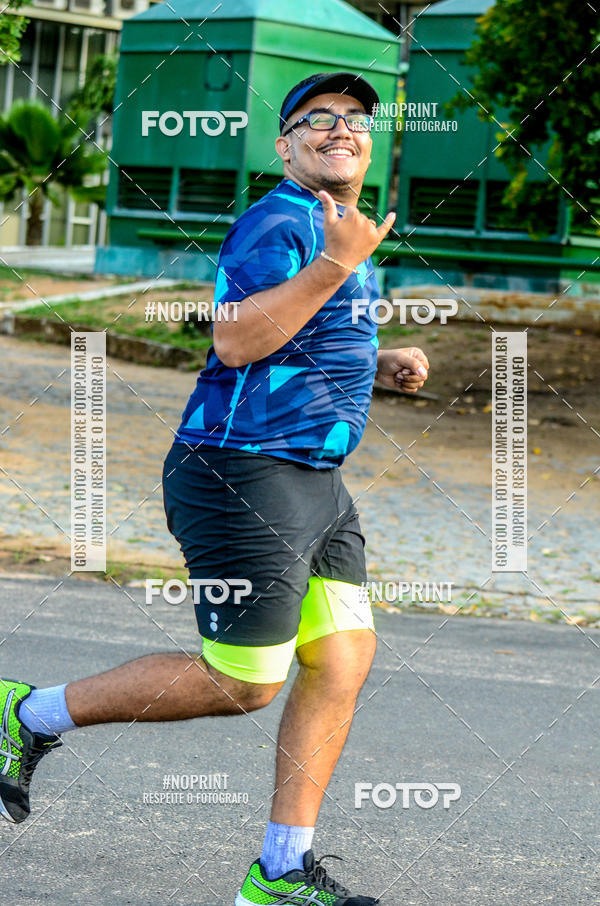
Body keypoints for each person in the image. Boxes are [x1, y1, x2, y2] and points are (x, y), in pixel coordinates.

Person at [0, 72, 429, 905]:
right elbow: (236, 340)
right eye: (316, 121)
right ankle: (25, 714)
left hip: (314, 478)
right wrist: (339, 263)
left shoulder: (338, 228)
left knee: (342, 656)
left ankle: (279, 873)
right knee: (245, 680)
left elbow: (294, 336)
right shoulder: (281, 219)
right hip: (241, 472)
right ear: (284, 144)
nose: (339, 130)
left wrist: (377, 361)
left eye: (354, 121)